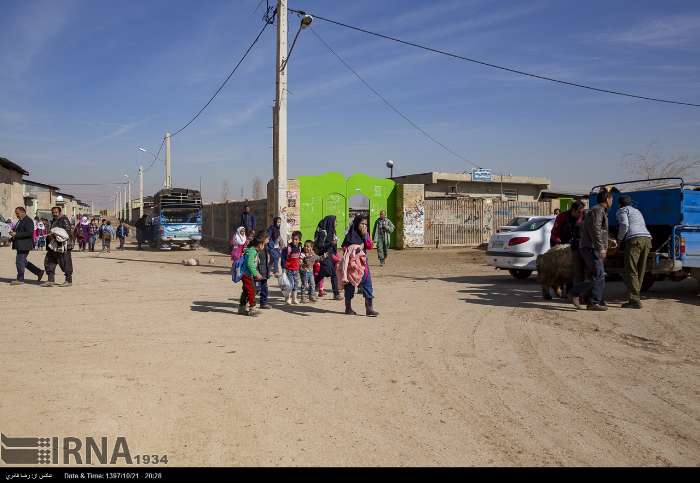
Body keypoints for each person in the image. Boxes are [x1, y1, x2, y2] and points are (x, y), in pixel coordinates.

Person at [571, 189, 616, 311]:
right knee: (599, 274)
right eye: (611, 199)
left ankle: (593, 299)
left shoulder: (599, 211)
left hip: (591, 246)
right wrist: (601, 247)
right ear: (607, 199)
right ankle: (591, 301)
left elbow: (599, 230)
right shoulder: (598, 210)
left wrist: (608, 240)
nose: (612, 201)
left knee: (596, 276)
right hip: (591, 248)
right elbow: (595, 229)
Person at [617, 194, 652, 309]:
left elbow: (624, 225)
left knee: (631, 269)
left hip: (634, 240)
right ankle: (636, 296)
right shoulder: (637, 211)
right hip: (647, 239)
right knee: (641, 269)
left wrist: (619, 239)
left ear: (620, 204)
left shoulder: (622, 210)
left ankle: (634, 300)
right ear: (631, 203)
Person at [341, 215, 379, 317]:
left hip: (363, 265)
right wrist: (353, 250)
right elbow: (344, 248)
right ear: (357, 223)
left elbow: (370, 246)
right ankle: (348, 308)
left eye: (366, 224)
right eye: (362, 223)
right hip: (352, 265)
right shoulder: (350, 235)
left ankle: (369, 308)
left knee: (367, 283)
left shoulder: (365, 234)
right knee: (349, 286)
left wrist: (365, 235)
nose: (364, 226)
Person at [9, 207, 45, 285]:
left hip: (24, 245)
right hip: (20, 244)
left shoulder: (28, 221)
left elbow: (29, 233)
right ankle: (39, 272)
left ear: (23, 212)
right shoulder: (20, 221)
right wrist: (12, 236)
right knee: (23, 261)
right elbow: (19, 231)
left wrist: (16, 234)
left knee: (19, 261)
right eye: (16, 213)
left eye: (17, 213)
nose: (16, 215)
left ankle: (20, 279)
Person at [43, 206, 74, 287]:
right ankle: (50, 280)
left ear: (60, 212)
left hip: (63, 246)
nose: (54, 214)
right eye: (53, 213)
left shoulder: (64, 220)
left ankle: (68, 281)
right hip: (52, 246)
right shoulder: (53, 221)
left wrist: (55, 235)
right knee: (49, 262)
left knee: (65, 263)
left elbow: (67, 233)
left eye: (56, 212)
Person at [314, 215, 342, 300]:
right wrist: (331, 243)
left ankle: (313, 286)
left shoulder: (332, 231)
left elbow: (333, 245)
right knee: (333, 273)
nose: (336, 223)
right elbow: (319, 246)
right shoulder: (323, 232)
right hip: (323, 255)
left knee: (322, 273)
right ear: (330, 222)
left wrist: (335, 251)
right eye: (335, 221)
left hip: (329, 255)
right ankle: (336, 294)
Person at [238, 232, 264, 317]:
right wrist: (256, 273)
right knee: (252, 290)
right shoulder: (252, 251)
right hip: (246, 274)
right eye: (263, 244)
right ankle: (252, 308)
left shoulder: (253, 250)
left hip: (246, 274)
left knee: (246, 290)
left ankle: (241, 307)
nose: (264, 247)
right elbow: (249, 264)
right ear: (260, 244)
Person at [281, 230, 303, 304]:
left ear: (299, 240)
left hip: (296, 269)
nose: (294, 241)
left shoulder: (300, 247)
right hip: (289, 269)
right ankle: (287, 298)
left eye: (296, 239)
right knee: (289, 284)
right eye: (293, 239)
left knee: (296, 284)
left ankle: (294, 298)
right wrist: (283, 268)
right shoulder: (288, 248)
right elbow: (283, 258)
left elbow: (300, 256)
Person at [256, 230, 273, 310]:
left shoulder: (266, 247)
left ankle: (263, 303)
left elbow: (268, 259)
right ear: (264, 238)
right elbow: (255, 261)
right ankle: (247, 302)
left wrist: (269, 270)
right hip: (258, 272)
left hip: (264, 272)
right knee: (256, 289)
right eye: (267, 238)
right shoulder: (257, 248)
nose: (269, 239)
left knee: (264, 289)